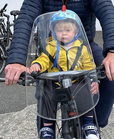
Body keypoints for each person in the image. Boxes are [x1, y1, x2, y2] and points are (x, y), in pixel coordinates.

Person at [5, 0, 114, 131]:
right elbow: (25, 20)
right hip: (49, 49)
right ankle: (46, 130)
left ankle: (95, 124)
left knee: (113, 78)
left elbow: (108, 15)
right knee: (44, 91)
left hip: (83, 46)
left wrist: (112, 50)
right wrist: (16, 60)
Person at [30, 10, 100, 139]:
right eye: (60, 31)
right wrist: (37, 65)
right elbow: (44, 59)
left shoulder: (82, 48)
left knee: (86, 91)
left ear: (76, 32)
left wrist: (94, 80)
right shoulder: (51, 47)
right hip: (55, 82)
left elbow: (89, 66)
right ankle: (47, 128)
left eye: (68, 30)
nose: (64, 34)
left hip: (75, 81)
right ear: (54, 33)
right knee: (45, 94)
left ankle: (89, 125)